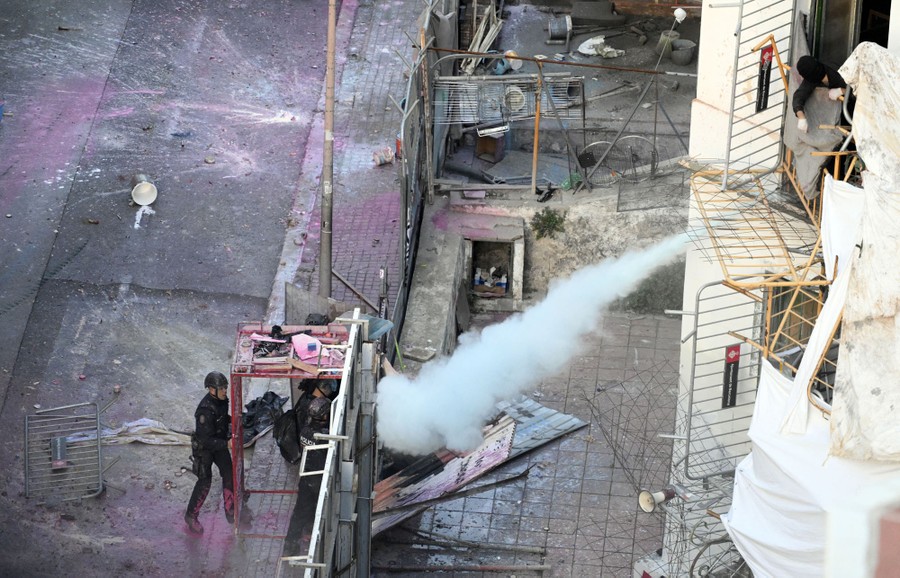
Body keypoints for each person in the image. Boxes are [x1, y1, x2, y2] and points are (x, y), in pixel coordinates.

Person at [184, 371, 234, 535]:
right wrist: (226, 443)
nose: (225, 391)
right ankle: (191, 515)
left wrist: (232, 420)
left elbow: (222, 418)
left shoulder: (222, 401)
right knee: (205, 482)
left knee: (229, 473)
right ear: (212, 390)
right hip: (205, 449)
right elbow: (205, 440)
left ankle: (230, 509)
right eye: (222, 388)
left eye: (225, 388)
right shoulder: (204, 411)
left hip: (218, 444)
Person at [792, 55, 847, 133]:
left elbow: (860, 88)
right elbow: (799, 96)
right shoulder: (812, 78)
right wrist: (801, 116)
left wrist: (842, 91)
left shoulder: (837, 70)